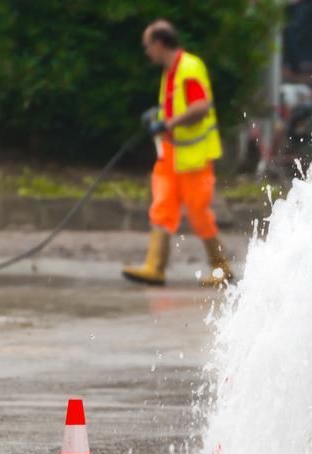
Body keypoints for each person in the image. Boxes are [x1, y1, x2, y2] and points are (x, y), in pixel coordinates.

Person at [123, 20, 234, 288]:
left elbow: (201, 107)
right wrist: (158, 118)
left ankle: (222, 269)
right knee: (162, 207)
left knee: (198, 214)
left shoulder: (189, 67)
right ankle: (155, 268)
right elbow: (176, 108)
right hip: (171, 155)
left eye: (147, 46)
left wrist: (168, 123)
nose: (147, 51)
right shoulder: (170, 71)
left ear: (160, 44)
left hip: (194, 158)